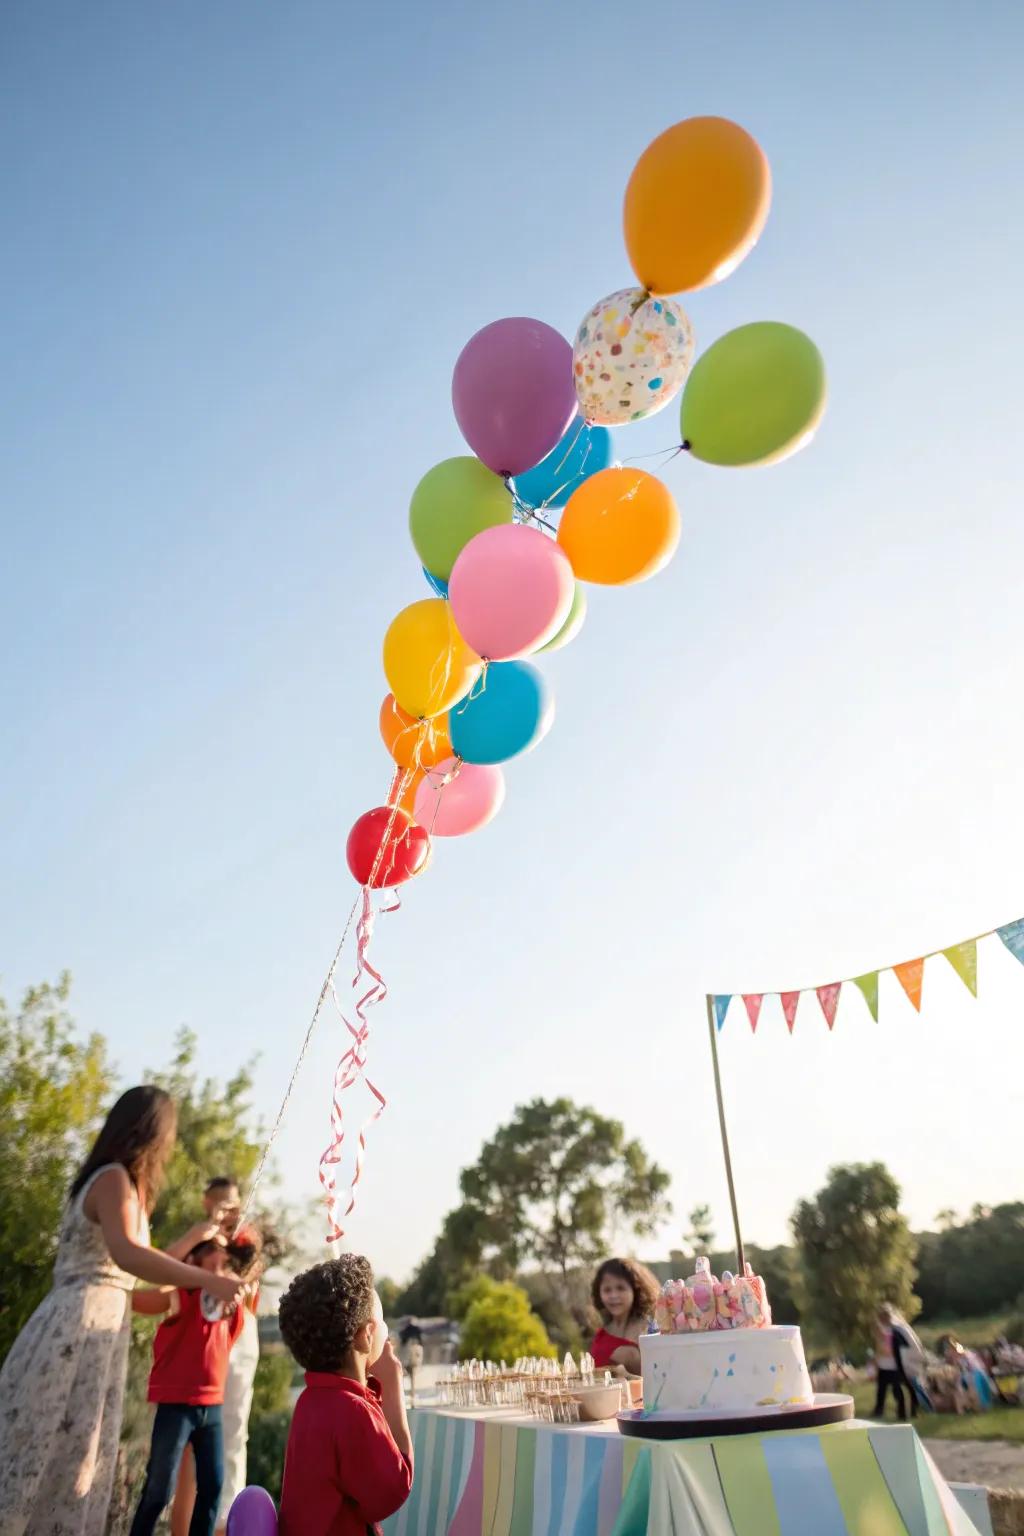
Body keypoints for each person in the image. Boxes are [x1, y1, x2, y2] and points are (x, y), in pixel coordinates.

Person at [0, 1086, 244, 1536]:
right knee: (47, 1449)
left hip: (100, 1332)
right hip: (78, 1327)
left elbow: (144, 1270)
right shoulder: (113, 1178)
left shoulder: (121, 1183)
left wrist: (197, 1236)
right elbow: (130, 1255)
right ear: (151, 1133)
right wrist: (209, 1279)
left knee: (78, 1457)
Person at [278, 1255, 413, 1536]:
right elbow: (393, 1490)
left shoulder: (312, 1400)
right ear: (365, 1336)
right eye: (382, 1320)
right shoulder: (352, 1410)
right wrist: (393, 1385)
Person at [128, 1238, 250, 1536]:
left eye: (224, 1264)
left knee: (213, 1486)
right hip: (176, 1405)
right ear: (194, 1263)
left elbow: (230, 1336)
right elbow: (139, 1299)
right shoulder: (181, 1295)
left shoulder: (227, 1304)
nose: (221, 1270)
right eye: (213, 1262)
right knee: (159, 1488)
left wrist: (235, 1304)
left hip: (213, 1406)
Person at [170, 1227, 264, 1536]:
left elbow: (252, 1278)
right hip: (207, 1349)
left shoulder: (243, 1255)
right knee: (194, 1448)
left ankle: (225, 1522)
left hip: (240, 1339)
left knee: (235, 1434)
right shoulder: (201, 1241)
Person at [589, 1257, 660, 1376]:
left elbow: (659, 1375)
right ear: (599, 1293)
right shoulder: (601, 1335)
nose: (614, 1295)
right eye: (607, 1290)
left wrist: (629, 1367)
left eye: (620, 1288)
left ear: (635, 1290)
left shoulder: (648, 1331)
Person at [165, 1177, 242, 1262]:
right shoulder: (197, 1233)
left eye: (235, 1207)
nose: (230, 1214)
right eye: (226, 1207)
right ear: (207, 1203)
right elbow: (163, 1262)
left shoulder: (239, 1241)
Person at [872, 1304, 910, 1420]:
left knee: (896, 1390)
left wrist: (882, 1349)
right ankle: (879, 1411)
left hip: (893, 1366)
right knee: (881, 1391)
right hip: (884, 1366)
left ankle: (902, 1413)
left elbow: (889, 1350)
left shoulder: (894, 1330)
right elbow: (880, 1349)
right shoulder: (882, 1330)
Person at [399, 1317, 425, 1405]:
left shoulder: (406, 1330)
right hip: (416, 1351)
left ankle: (411, 1392)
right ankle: (412, 1392)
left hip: (409, 1353)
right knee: (413, 1373)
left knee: (410, 1372)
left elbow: (403, 1341)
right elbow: (421, 1341)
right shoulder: (417, 1329)